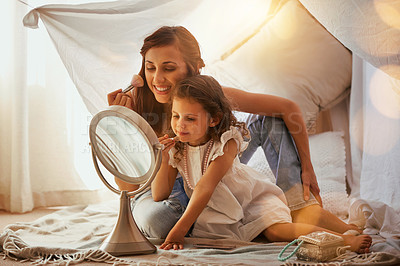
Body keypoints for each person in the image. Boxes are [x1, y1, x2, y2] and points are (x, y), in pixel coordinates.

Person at [107, 26, 361, 239]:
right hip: (162, 194)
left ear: (194, 68)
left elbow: (287, 108)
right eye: (150, 67)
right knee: (159, 222)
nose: (157, 79)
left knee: (269, 120)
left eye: (168, 68)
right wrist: (119, 126)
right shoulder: (135, 105)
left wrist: (307, 166)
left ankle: (298, 204)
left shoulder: (209, 95)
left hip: (209, 169)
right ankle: (208, 220)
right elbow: (127, 187)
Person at [154, 74, 371, 252]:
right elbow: (159, 194)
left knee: (276, 232)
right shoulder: (177, 150)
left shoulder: (225, 143)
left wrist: (178, 230)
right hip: (224, 212)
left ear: (214, 119)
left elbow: (205, 187)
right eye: (175, 116)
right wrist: (163, 160)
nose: (179, 125)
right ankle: (349, 228)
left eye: (190, 118)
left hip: (252, 201)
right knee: (264, 234)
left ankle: (345, 239)